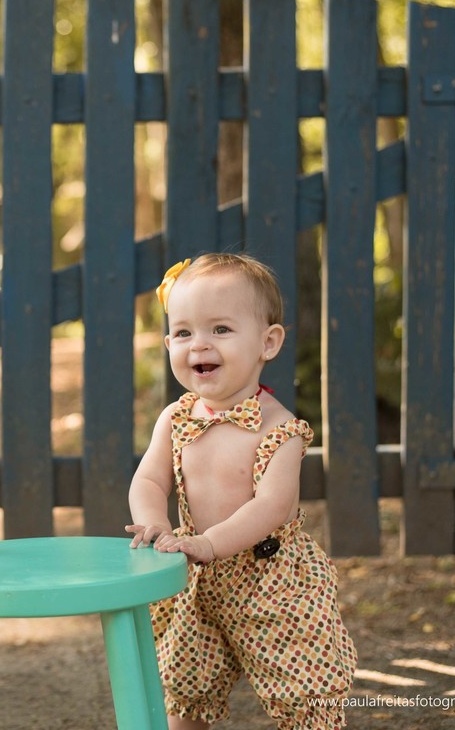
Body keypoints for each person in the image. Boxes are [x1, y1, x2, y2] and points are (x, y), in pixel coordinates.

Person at [127, 253, 357, 730]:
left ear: (267, 343)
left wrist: (210, 543)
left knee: (302, 688)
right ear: (168, 343)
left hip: (270, 581)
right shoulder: (176, 418)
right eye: (183, 332)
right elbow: (149, 479)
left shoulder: (280, 429)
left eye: (220, 329)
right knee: (185, 684)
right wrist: (155, 523)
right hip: (196, 577)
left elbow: (271, 505)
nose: (199, 344)